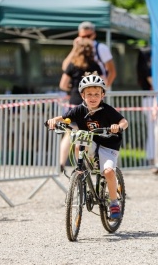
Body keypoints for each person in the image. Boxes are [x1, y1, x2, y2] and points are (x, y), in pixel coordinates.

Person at [47, 72, 128, 219]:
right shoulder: (80, 109)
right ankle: (82, 170)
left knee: (109, 172)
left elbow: (124, 121)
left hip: (108, 147)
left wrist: (118, 126)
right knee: (79, 145)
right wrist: (53, 120)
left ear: (103, 95)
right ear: (82, 95)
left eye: (97, 94)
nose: (93, 97)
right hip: (91, 143)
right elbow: (65, 119)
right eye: (89, 94)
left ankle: (114, 202)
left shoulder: (107, 110)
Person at [59, 39, 103, 170]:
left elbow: (62, 84)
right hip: (91, 103)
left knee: (69, 133)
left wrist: (72, 88)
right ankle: (84, 163)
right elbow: (103, 82)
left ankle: (61, 162)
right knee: (86, 132)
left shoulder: (72, 65)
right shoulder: (95, 65)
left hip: (74, 101)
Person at [62, 21, 116, 89]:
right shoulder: (77, 49)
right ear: (79, 36)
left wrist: (102, 90)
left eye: (88, 36)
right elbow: (65, 68)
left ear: (94, 35)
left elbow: (112, 72)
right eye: (83, 37)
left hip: (94, 91)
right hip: (78, 91)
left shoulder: (101, 48)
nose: (86, 39)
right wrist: (75, 48)